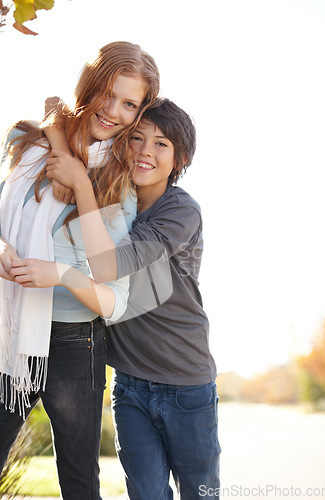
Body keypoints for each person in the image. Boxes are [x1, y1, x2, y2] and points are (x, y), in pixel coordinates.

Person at [0, 41, 160, 500]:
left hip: (75, 339)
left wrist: (81, 183)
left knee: (78, 482)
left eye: (129, 104)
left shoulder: (119, 182)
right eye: (107, 93)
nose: (113, 111)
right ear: (89, 85)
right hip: (10, 332)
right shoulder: (25, 142)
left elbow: (109, 282)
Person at [44, 98, 221, 500]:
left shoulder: (180, 211)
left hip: (186, 383)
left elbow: (106, 266)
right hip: (130, 384)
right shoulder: (111, 202)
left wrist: (82, 185)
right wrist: (58, 135)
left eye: (161, 144)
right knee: (146, 494)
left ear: (181, 159)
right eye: (136, 138)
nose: (145, 150)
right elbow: (57, 113)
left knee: (201, 492)